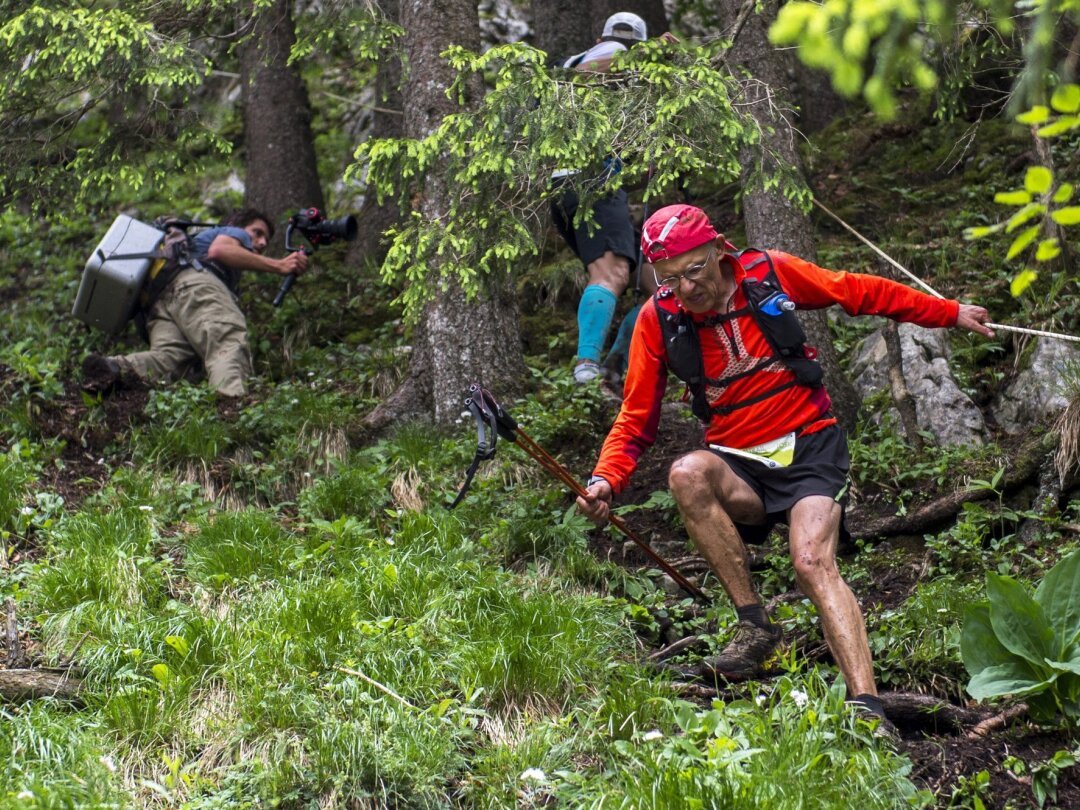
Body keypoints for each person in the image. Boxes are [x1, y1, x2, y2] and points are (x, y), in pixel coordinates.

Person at [575, 203, 994, 729]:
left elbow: (857, 291)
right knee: (685, 473)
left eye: (695, 270)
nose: (686, 288)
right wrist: (604, 479)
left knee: (811, 562)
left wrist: (949, 312)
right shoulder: (659, 320)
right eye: (670, 278)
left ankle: (867, 706)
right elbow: (636, 417)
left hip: (810, 448)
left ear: (718, 250)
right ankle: (756, 627)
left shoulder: (767, 273)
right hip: (738, 464)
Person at [551, 12, 674, 384]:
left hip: (574, 185)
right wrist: (648, 54)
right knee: (612, 273)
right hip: (591, 182)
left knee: (662, 287)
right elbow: (592, 72)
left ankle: (614, 365)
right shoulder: (612, 52)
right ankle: (586, 366)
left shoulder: (582, 68)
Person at [81, 208, 308, 398]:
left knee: (171, 359)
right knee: (227, 340)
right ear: (236, 226)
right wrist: (278, 265)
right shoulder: (233, 232)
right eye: (257, 233)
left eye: (266, 239)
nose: (261, 241)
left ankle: (112, 368)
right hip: (195, 286)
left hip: (160, 302)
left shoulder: (191, 247)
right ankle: (231, 409)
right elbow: (219, 250)